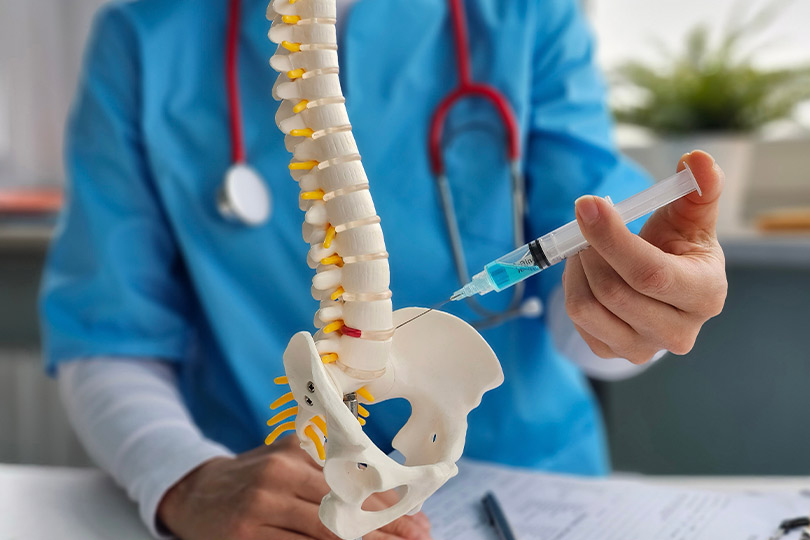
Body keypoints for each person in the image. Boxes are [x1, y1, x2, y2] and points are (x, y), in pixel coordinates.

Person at [40, 0, 727, 539]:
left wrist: (630, 303)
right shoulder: (146, 37)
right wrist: (183, 476)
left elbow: (587, 267)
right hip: (260, 500)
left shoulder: (526, 15)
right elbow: (108, 329)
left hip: (524, 491)